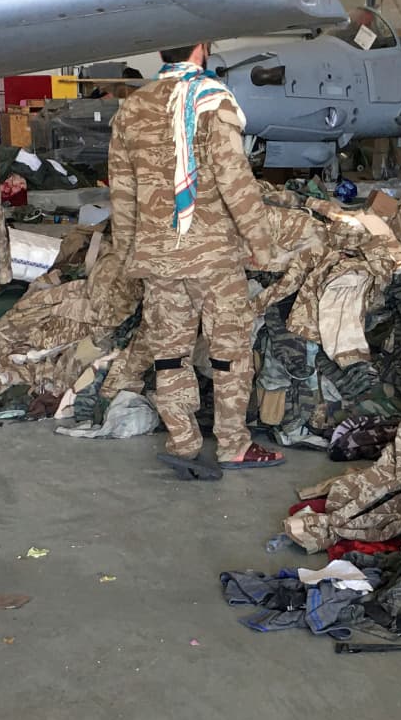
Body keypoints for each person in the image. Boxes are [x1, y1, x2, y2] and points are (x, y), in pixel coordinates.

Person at [107, 41, 282, 480]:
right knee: (228, 351)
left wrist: (129, 251)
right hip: (212, 256)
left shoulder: (131, 108)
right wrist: (261, 242)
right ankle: (232, 443)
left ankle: (183, 439)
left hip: (158, 255)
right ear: (201, 49)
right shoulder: (211, 100)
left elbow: (122, 191)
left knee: (169, 352)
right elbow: (234, 176)